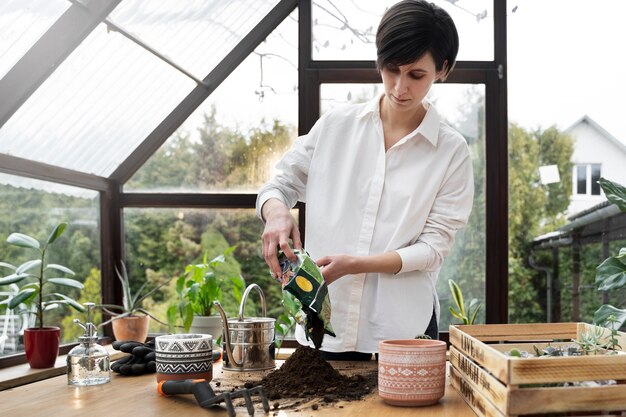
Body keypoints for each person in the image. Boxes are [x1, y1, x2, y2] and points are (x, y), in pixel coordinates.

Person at [256, 0, 474, 360]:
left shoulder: (451, 152)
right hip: (326, 329)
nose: (400, 87)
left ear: (443, 69)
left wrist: (358, 264)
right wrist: (276, 212)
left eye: (416, 75)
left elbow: (432, 249)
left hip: (403, 332)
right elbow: (279, 184)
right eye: (391, 69)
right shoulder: (336, 127)